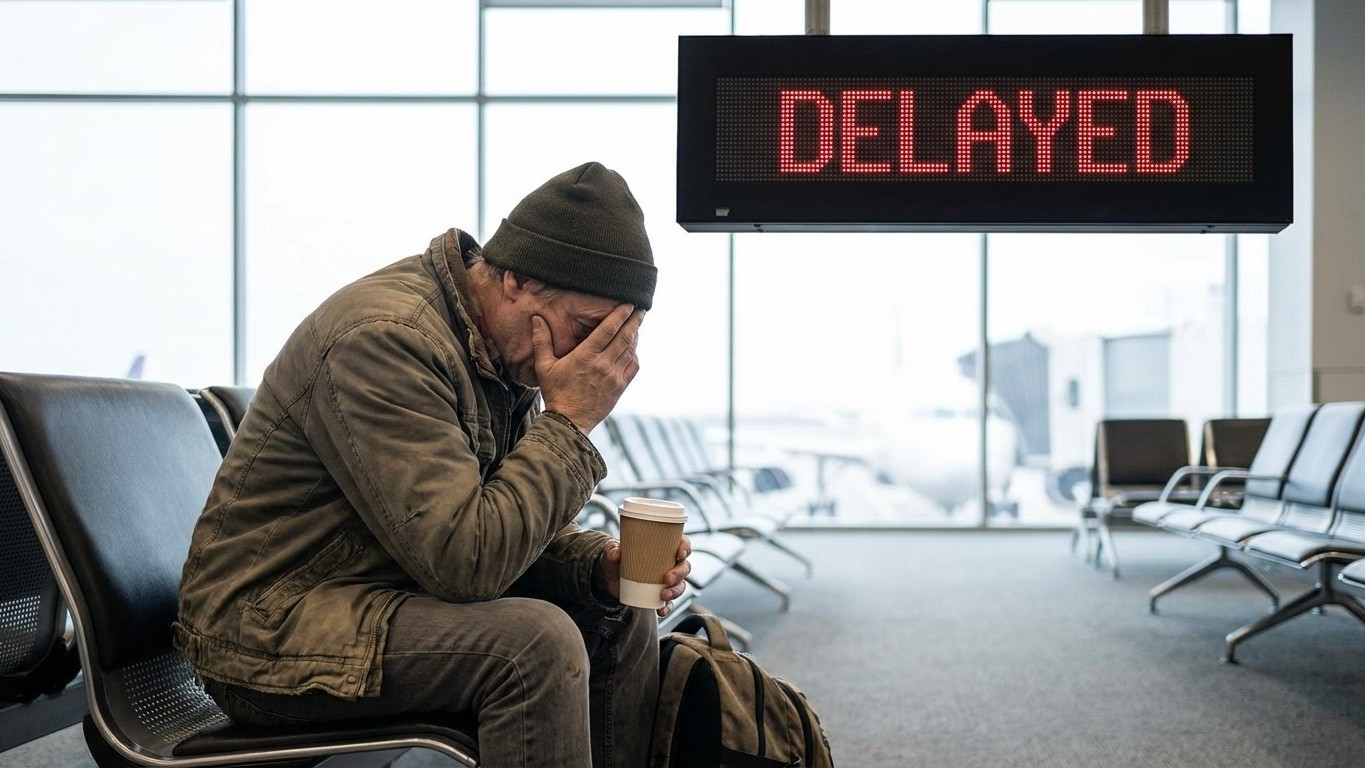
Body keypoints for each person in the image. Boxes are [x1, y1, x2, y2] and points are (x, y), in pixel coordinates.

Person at [174, 161, 692, 767]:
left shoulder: (501, 354)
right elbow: (465, 562)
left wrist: (598, 568)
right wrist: (570, 422)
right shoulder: (386, 339)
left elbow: (497, 528)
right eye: (583, 330)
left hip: (381, 597)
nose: (586, 360)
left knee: (617, 615)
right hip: (270, 629)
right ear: (516, 281)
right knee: (533, 646)